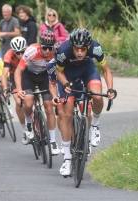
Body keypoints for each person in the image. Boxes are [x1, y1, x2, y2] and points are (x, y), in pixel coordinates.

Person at [55, 28, 117, 176]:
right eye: (77, 48)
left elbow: (106, 70)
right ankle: (67, 159)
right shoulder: (64, 50)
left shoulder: (96, 47)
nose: (80, 52)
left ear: (88, 46)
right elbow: (58, 72)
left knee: (96, 96)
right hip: (68, 74)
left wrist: (110, 89)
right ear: (72, 46)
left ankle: (95, 124)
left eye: (83, 49)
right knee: (67, 115)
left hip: (87, 70)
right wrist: (64, 84)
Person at [14, 30, 60, 155]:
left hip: (45, 76)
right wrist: (19, 90)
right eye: (45, 48)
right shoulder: (31, 51)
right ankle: (29, 121)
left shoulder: (55, 53)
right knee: (28, 102)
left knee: (49, 107)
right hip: (29, 76)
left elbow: (60, 72)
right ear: (40, 45)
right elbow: (18, 71)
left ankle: (53, 141)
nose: (47, 51)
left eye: (50, 48)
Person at [2, 36, 27, 142]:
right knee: (19, 103)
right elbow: (4, 75)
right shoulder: (8, 55)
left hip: (27, 75)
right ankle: (24, 130)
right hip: (14, 77)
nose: (20, 55)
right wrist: (5, 89)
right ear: (13, 51)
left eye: (22, 51)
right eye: (18, 52)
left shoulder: (29, 51)